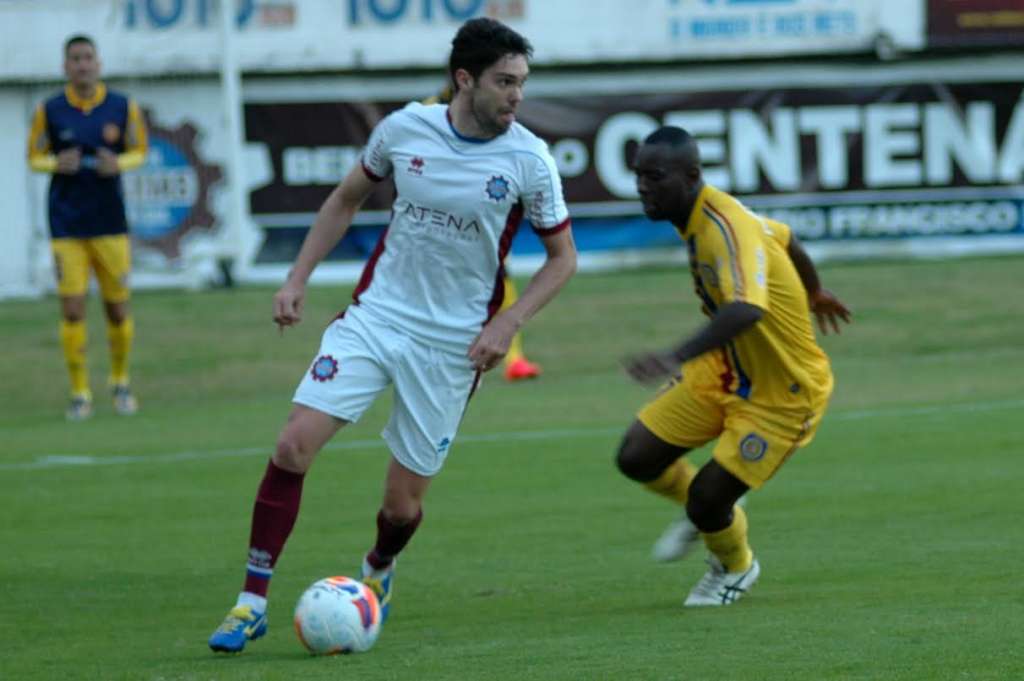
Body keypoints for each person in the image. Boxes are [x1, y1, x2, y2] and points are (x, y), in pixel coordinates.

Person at [208, 17, 576, 653]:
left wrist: (508, 322)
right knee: (294, 446)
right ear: (464, 79)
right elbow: (345, 198)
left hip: (454, 346)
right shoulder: (405, 129)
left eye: (522, 82)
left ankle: (378, 565)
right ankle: (249, 602)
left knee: (401, 507)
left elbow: (562, 258)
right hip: (377, 317)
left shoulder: (529, 160)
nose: (517, 95)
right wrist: (296, 278)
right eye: (505, 82)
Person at [616, 126, 851, 606]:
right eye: (638, 175)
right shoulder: (711, 217)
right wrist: (814, 291)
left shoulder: (726, 229)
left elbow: (747, 309)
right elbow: (785, 237)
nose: (643, 187)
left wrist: (672, 357)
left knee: (707, 499)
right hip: (724, 373)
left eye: (655, 176)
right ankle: (711, 510)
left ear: (692, 176)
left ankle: (735, 566)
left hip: (783, 393)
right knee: (637, 457)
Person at [27, 34, 148, 421]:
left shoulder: (121, 106)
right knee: (73, 308)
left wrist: (121, 164)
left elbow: (140, 150)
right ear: (65, 66)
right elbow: (33, 156)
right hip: (66, 224)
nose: (82, 65)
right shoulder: (50, 109)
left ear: (99, 63)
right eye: (75, 59)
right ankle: (80, 392)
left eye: (88, 58)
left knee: (116, 309)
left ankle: (120, 382)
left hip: (110, 222)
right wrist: (53, 164)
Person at [423, 84, 543, 382]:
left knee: (499, 277)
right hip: (438, 217)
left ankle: (514, 358)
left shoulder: (491, 114)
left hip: (482, 213)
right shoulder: (427, 113)